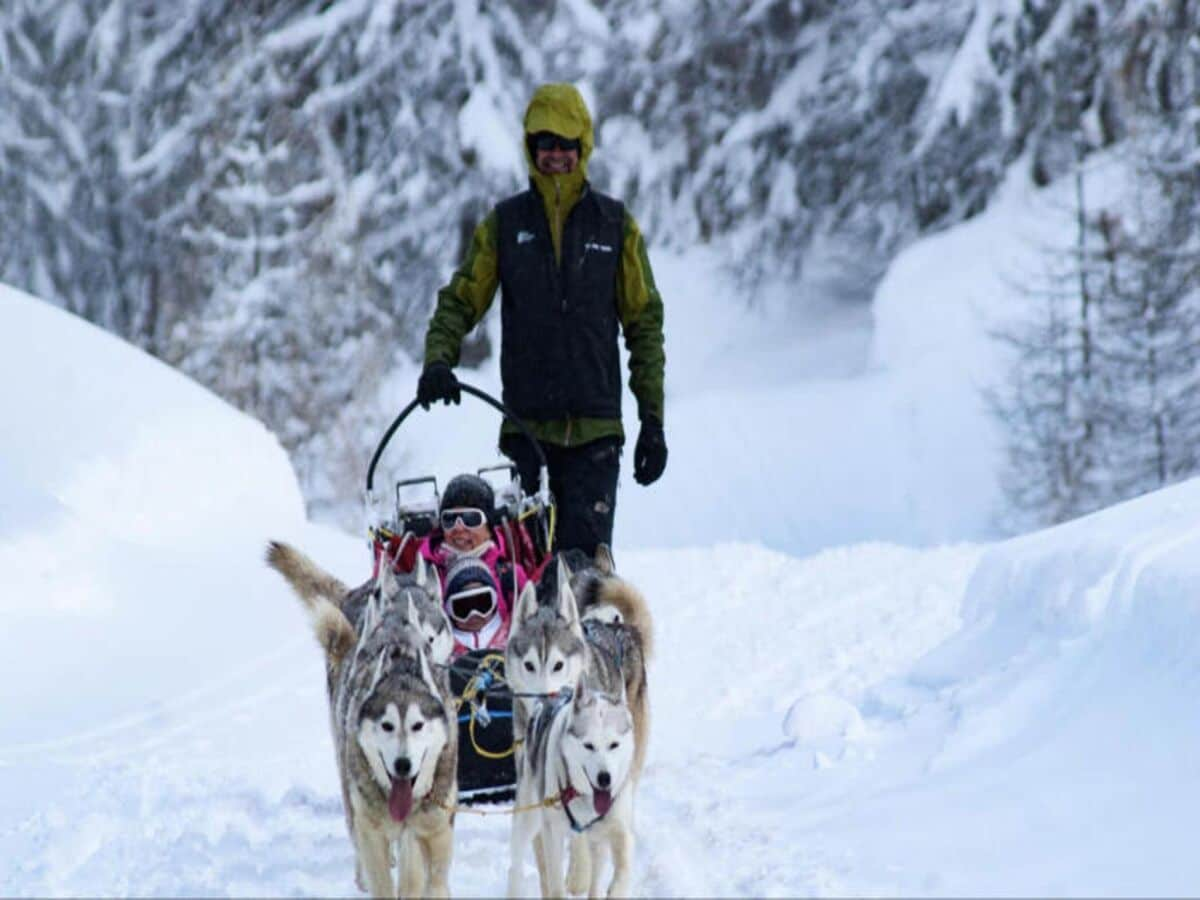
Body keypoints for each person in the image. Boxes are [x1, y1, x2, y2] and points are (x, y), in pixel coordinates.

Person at [417, 83, 667, 558]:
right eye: (545, 143)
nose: (556, 154)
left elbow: (644, 325)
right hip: (526, 432)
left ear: (583, 147)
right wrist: (437, 362)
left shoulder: (614, 226)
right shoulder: (506, 226)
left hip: (595, 434)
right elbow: (460, 300)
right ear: (531, 148)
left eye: (566, 143)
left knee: (586, 577)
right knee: (524, 574)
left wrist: (651, 421)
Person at [419, 473, 527, 656]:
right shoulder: (426, 578)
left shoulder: (510, 576)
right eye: (450, 519)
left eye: (471, 518)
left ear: (489, 526)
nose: (459, 528)